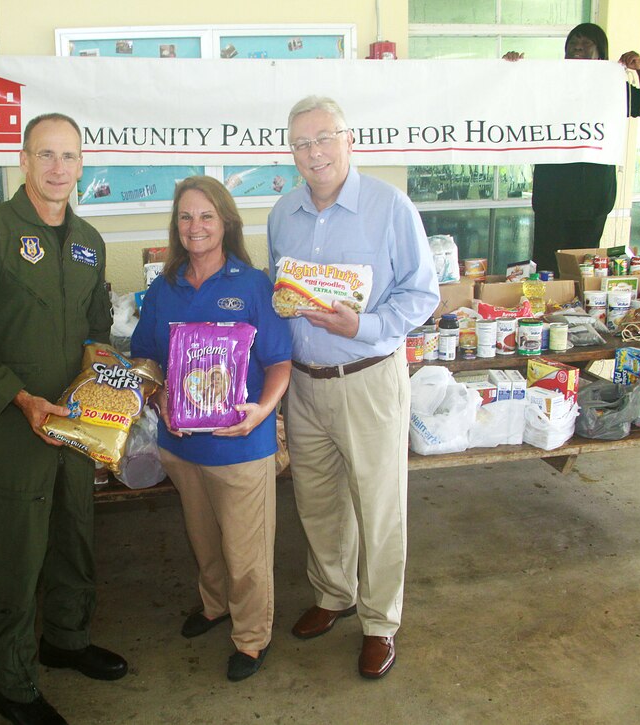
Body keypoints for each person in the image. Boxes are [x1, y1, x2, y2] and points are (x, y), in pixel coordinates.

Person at [0, 113, 124, 725]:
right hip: (17, 424)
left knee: (74, 536)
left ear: (81, 164)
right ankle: (12, 685)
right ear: (23, 160)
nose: (58, 168)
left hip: (74, 422)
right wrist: (20, 400)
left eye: (69, 156)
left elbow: (97, 328)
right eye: (46, 155)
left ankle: (65, 641)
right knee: (13, 556)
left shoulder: (89, 241)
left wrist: (104, 369)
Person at [267, 96, 439, 680]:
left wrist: (360, 325)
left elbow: (422, 295)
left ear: (349, 140)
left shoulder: (390, 207)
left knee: (379, 506)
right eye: (301, 144)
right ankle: (333, 594)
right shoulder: (283, 213)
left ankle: (380, 622)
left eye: (324, 139)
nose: (313, 153)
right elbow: (281, 293)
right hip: (305, 386)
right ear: (290, 153)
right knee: (317, 500)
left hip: (368, 381)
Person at [130, 176, 292, 683]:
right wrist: (158, 398)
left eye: (206, 216)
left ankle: (251, 636)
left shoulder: (252, 285)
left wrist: (262, 411)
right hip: (181, 446)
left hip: (240, 446)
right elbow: (144, 357)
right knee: (203, 541)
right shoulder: (164, 288)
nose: (194, 226)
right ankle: (215, 605)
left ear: (226, 222)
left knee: (246, 553)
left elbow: (280, 361)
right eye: (185, 217)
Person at [504, 23, 640, 273]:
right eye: (572, 43)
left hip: (593, 196)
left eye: (586, 43)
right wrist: (509, 71)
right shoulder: (547, 84)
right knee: (546, 265)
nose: (577, 47)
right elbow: (508, 102)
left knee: (582, 268)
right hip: (552, 196)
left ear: (601, 52)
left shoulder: (611, 88)